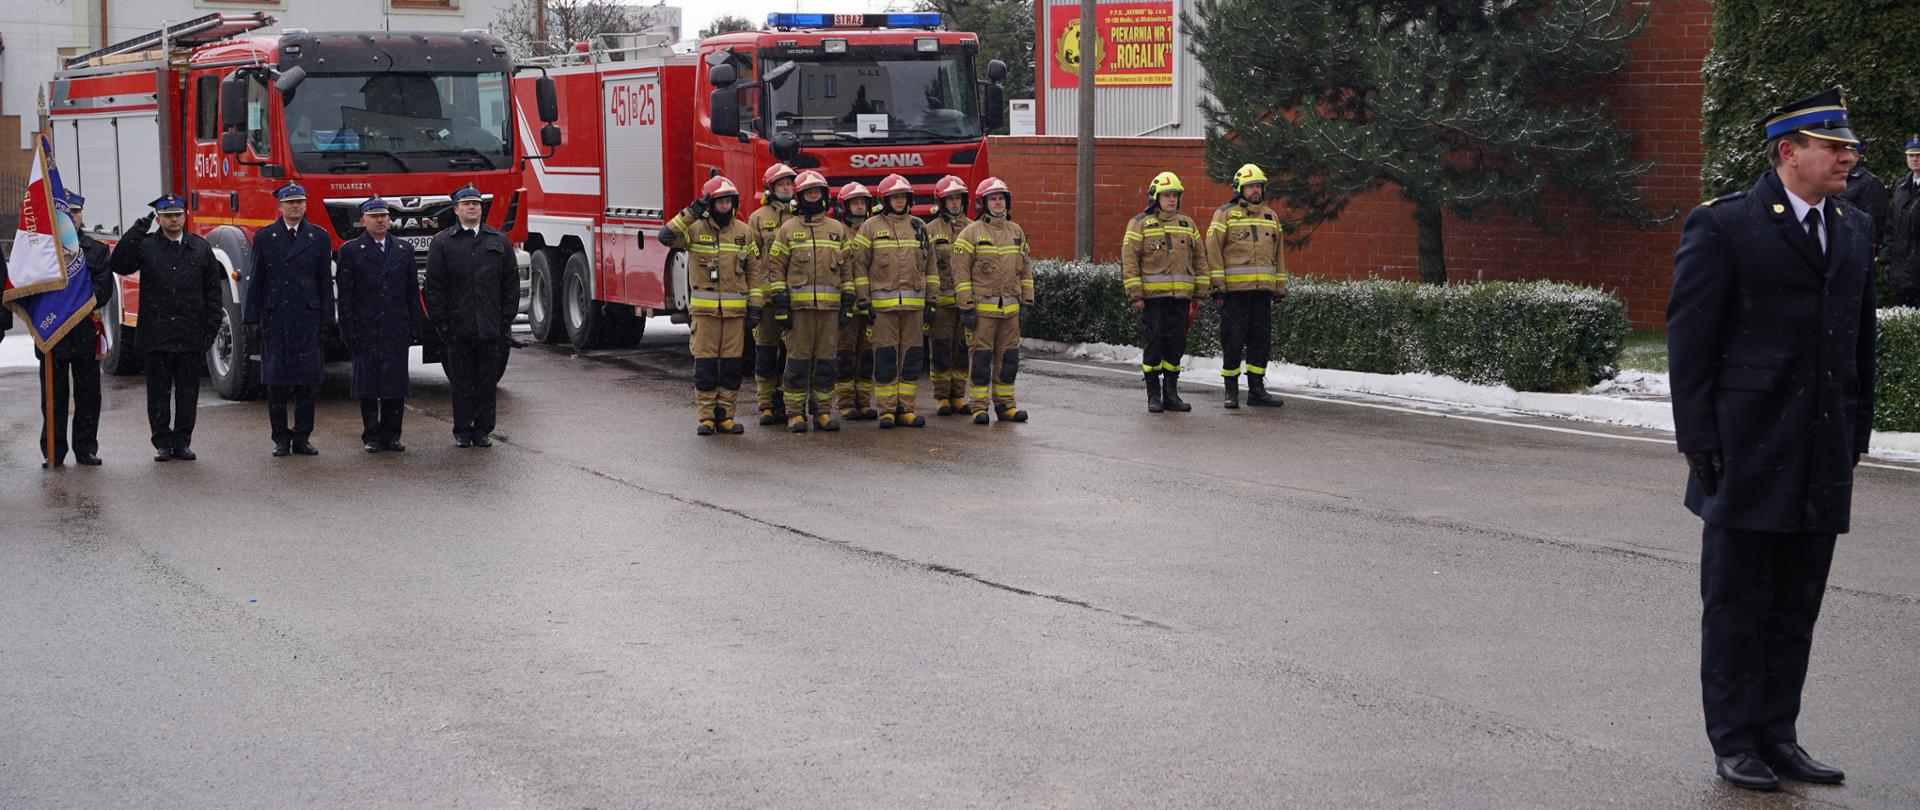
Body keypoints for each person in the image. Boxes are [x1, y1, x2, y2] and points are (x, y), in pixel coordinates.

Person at [1667, 86, 1877, 793]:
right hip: (1744, 447)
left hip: (1821, 447)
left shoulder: (1854, 227)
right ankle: (1733, 740)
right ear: (1789, 153)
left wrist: (1858, 428)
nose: (1848, 157)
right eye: (1833, 146)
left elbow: (1858, 339)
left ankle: (1778, 734)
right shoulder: (1725, 225)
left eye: (1848, 147)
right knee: (1737, 605)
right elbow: (1690, 342)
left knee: (1796, 605)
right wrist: (1697, 441)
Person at [110, 194, 222, 462]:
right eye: (168, 215)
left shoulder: (200, 248)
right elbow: (119, 264)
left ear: (185, 216)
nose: (174, 220)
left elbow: (213, 294)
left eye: (178, 214)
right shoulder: (146, 245)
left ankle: (182, 442)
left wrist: (210, 331)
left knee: (187, 394)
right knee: (158, 394)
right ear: (158, 219)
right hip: (156, 335)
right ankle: (162, 441)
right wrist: (138, 228)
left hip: (189, 334)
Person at [660, 175, 762, 435]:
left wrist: (756, 306)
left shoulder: (744, 232)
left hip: (734, 316)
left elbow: (754, 273)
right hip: (705, 316)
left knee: (731, 367)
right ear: (710, 203)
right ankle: (706, 417)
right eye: (720, 201)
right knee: (705, 367)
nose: (725, 206)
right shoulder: (695, 229)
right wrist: (691, 212)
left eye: (728, 201)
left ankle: (726, 417)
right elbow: (666, 236)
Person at [424, 184, 520, 448]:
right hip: (458, 325)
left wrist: (506, 318)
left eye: (476, 204)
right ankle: (462, 430)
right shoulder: (443, 243)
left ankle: (483, 430)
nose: (472, 208)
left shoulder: (498, 240)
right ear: (456, 210)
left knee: (487, 381)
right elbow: (435, 286)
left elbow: (510, 283)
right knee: (462, 381)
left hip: (490, 326)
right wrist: (441, 322)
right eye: (466, 204)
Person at [245, 181, 334, 457]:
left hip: (307, 317)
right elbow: (256, 280)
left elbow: (323, 282)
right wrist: (252, 318)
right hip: (276, 317)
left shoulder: (318, 237)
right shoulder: (264, 237)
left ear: (306, 205)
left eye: (300, 201)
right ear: (280, 206)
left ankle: (303, 437)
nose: (296, 206)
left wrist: (328, 319)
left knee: (308, 382)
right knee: (276, 383)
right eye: (290, 202)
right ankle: (281, 438)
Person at [765, 169, 853, 433]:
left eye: (817, 192)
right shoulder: (788, 229)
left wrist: (848, 301)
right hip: (799, 311)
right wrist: (781, 303)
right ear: (800, 197)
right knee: (797, 362)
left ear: (824, 196)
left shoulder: (837, 230)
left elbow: (847, 268)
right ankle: (795, 413)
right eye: (808, 192)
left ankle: (823, 413)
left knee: (826, 362)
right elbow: (776, 268)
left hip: (829, 311)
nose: (813, 196)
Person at [31, 191, 115, 467]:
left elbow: (103, 292)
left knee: (88, 396)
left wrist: (68, 305)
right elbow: (31, 291)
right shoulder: (42, 253)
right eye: (65, 213)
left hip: (84, 333)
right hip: (52, 334)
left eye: (75, 212)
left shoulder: (97, 251)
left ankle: (86, 448)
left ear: (81, 215)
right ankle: (53, 451)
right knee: (53, 398)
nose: (71, 217)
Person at [334, 196, 421, 453]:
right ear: (363, 221)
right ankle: (371, 435)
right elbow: (346, 296)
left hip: (395, 327)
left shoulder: (403, 250)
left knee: (395, 384)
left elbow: (411, 294)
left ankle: (392, 435)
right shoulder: (350, 251)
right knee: (369, 385)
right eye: (374, 217)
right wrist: (347, 329)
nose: (380, 220)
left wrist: (414, 326)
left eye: (384, 216)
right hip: (366, 327)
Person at [851, 174, 936, 428]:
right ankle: (887, 410)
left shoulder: (920, 226)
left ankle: (906, 409)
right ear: (885, 200)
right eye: (894, 197)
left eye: (903, 197)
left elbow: (930, 267)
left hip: (913, 309)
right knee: (886, 358)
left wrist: (931, 301)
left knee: (911, 359)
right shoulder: (870, 227)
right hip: (883, 310)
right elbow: (859, 267)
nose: (899, 201)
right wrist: (863, 301)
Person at [1122, 171, 1210, 413]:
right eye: (1167, 195)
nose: (1172, 200)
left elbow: (1200, 260)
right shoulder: (1139, 223)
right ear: (1155, 197)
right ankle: (1153, 395)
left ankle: (1171, 395)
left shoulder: (1187, 224)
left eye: (1175, 195)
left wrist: (1200, 293)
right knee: (1154, 344)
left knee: (1176, 345)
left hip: (1180, 298)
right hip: (1152, 300)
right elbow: (1130, 262)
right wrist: (1136, 295)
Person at [950, 176, 1033, 424]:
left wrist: (1027, 301)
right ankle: (978, 407)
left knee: (1008, 359)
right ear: (982, 203)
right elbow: (961, 274)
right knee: (982, 361)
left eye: (1001, 198)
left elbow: (1026, 269)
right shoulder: (970, 233)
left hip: (1010, 310)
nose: (997, 203)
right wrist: (966, 307)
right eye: (993, 199)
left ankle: (1006, 405)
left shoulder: (1016, 231)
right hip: (982, 312)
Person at [1206, 164, 1286, 409]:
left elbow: (1279, 255)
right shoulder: (1225, 215)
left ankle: (1257, 390)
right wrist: (1218, 287)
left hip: (1262, 293)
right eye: (1250, 186)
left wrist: (1279, 287)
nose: (1255, 191)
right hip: (1235, 295)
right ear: (1240, 188)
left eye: (1258, 186)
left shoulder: (1271, 217)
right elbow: (1213, 250)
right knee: (1232, 341)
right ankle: (1231, 391)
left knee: (1260, 342)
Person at [749, 163, 799, 424]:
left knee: (792, 353)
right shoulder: (758, 218)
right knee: (767, 352)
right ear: (771, 188)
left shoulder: (800, 216)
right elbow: (752, 260)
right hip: (768, 301)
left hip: (794, 299)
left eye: (790, 184)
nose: (787, 188)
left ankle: (787, 401)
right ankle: (766, 404)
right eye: (781, 185)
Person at [923, 175, 974, 416]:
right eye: (949, 199)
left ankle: (958, 395)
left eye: (957, 198)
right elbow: (924, 267)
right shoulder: (929, 230)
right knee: (941, 350)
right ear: (940, 202)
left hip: (966, 305)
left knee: (962, 351)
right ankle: (942, 396)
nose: (954, 203)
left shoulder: (973, 229)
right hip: (941, 305)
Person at [834, 182, 879, 420]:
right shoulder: (839, 231)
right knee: (845, 354)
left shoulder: (873, 229)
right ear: (845, 206)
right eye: (855, 202)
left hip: (871, 304)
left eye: (862, 202)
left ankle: (863, 402)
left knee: (867, 355)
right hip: (847, 306)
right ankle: (845, 403)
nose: (859, 207)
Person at [1882, 134, 1920, 306]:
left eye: (1918, 155)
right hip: (1902, 276)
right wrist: (1888, 262)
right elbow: (1891, 229)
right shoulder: (1901, 188)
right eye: (1911, 155)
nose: (1914, 159)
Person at [1835, 147, 1888, 256]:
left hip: (1855, 250)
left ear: (1858, 156)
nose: (1845, 156)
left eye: (1850, 152)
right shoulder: (1835, 178)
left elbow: (1876, 224)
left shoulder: (1870, 182)